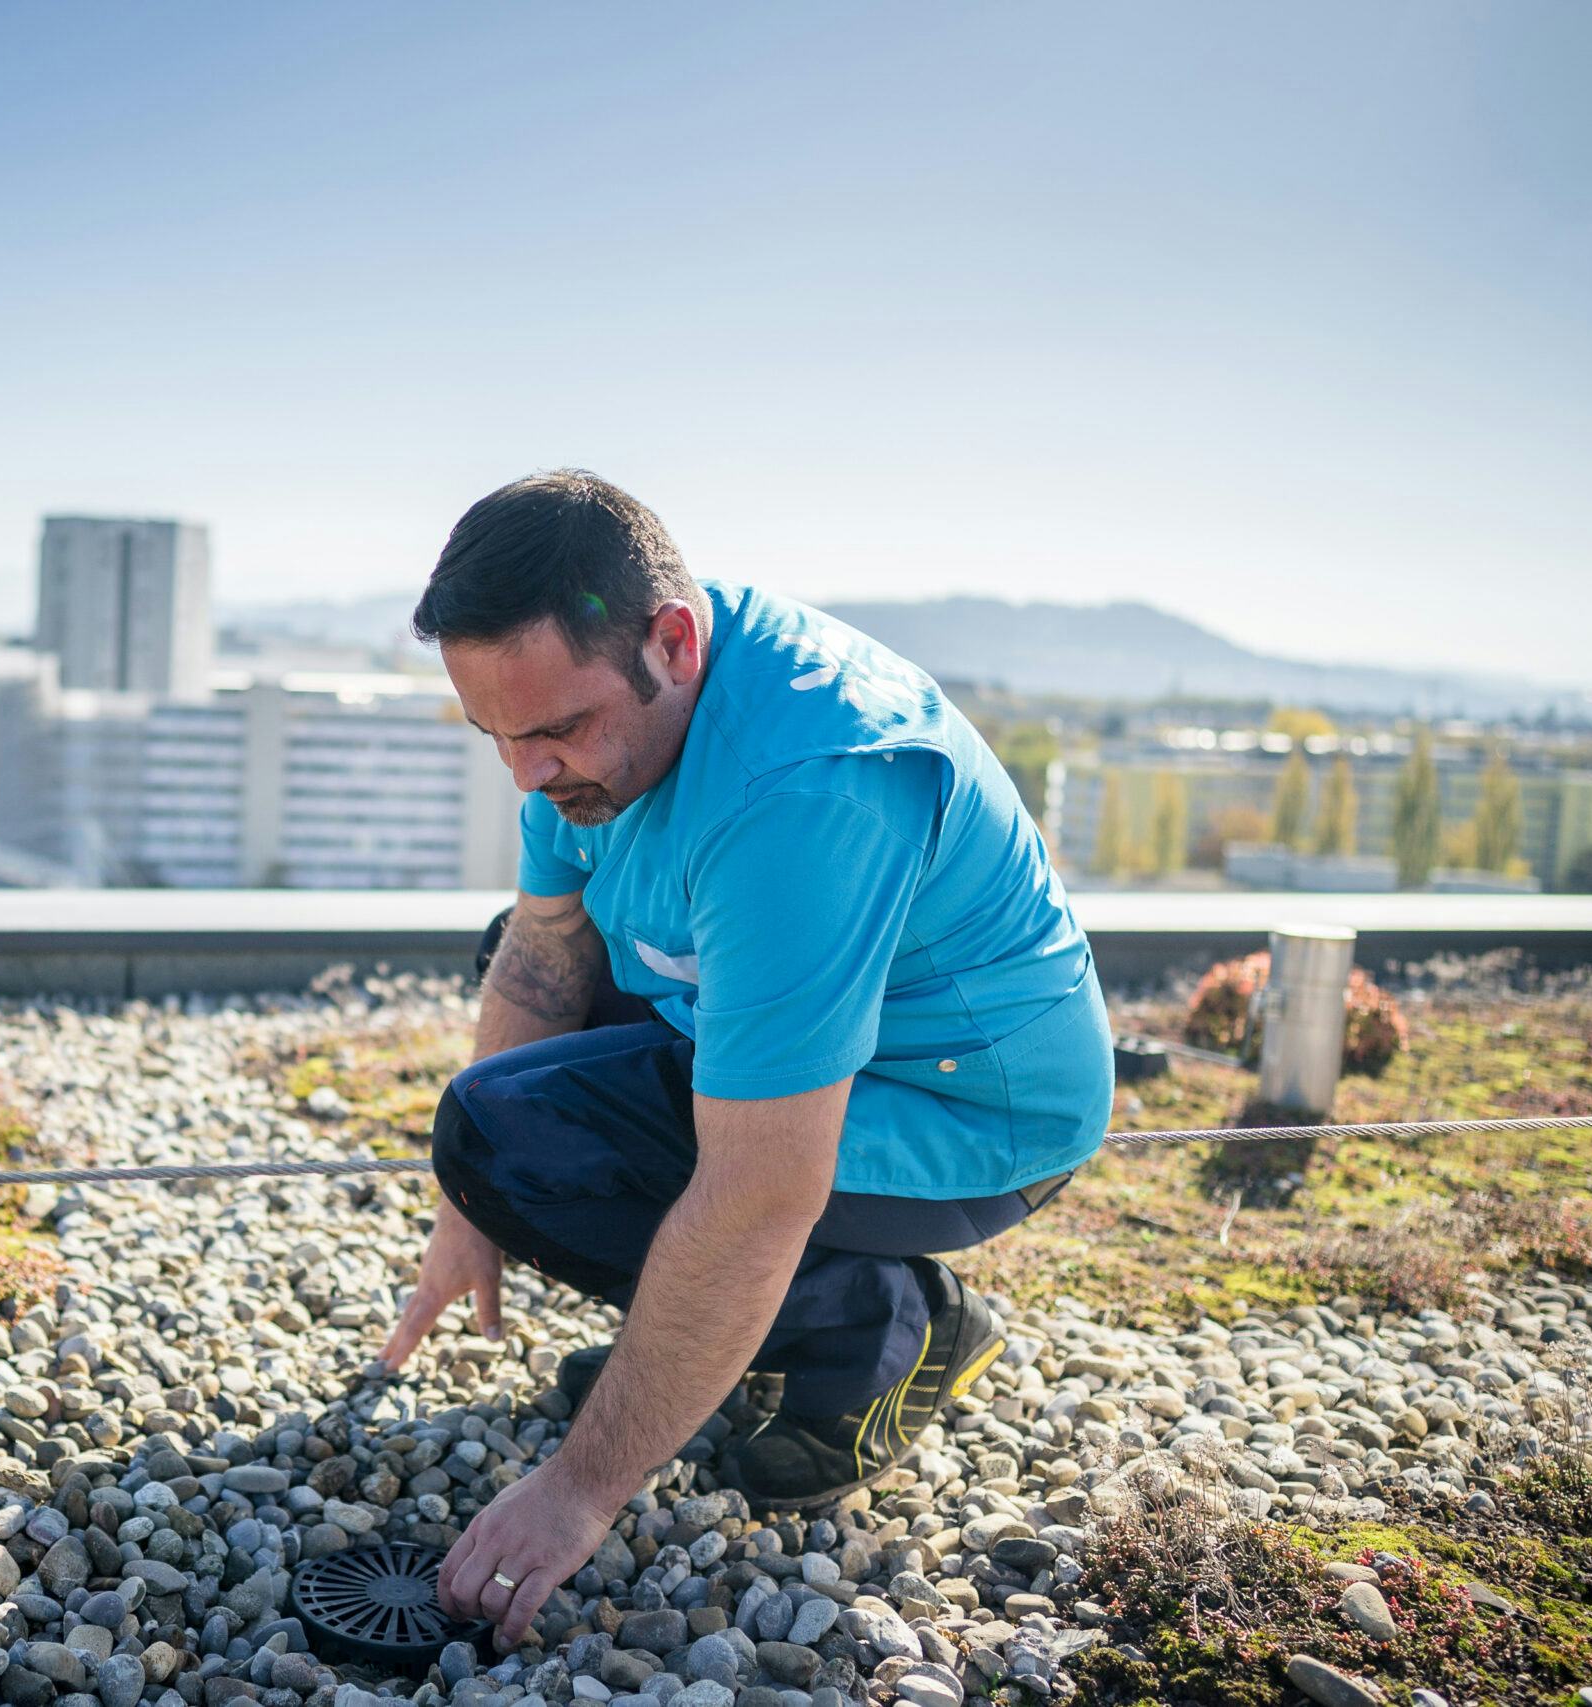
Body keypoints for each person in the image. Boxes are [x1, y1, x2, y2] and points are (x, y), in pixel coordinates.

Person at [378, 471, 1113, 1647]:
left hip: (963, 1109)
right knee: (502, 1129)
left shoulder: (807, 789)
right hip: (777, 1014)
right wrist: (468, 1216)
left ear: (673, 643)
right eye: (496, 737)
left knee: (535, 1145)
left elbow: (758, 1192)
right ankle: (721, 1342)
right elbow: (542, 949)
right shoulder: (587, 691)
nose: (525, 772)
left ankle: (883, 1326)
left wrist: (579, 1487)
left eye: (556, 731)